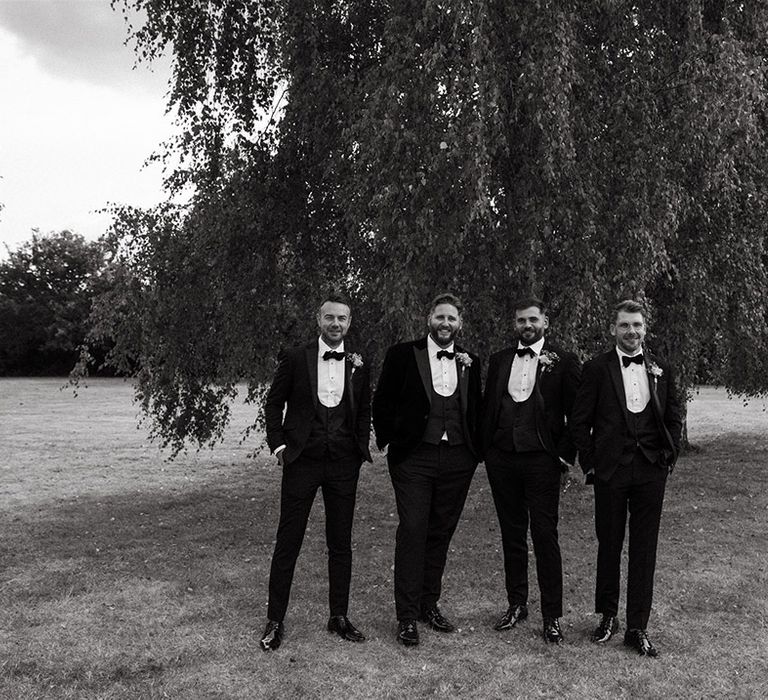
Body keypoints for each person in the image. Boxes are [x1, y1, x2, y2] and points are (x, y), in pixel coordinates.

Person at [259, 293, 372, 651]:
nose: (335, 324)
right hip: (301, 462)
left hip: (343, 464)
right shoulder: (295, 357)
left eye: (342, 318)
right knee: (288, 541)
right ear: (318, 320)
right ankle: (275, 620)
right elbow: (273, 403)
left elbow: (364, 407)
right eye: (329, 318)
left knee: (341, 543)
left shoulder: (360, 363)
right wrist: (278, 446)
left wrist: (358, 448)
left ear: (349, 323)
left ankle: (338, 616)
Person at [571, 299, 682, 657]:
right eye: (624, 326)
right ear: (613, 329)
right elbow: (579, 421)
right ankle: (607, 617)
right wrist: (590, 463)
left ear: (644, 329)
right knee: (609, 544)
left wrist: (668, 455)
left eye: (636, 326)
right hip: (611, 471)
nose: (631, 332)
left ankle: (637, 626)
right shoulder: (597, 368)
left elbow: (674, 414)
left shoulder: (661, 366)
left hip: (651, 468)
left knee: (644, 549)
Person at [372, 293, 482, 646]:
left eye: (452, 318)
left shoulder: (471, 361)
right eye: (440, 317)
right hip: (413, 457)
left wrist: (475, 451)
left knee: (440, 531)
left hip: (458, 458)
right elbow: (383, 400)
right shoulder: (404, 354)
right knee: (413, 528)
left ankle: (428, 604)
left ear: (459, 323)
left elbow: (474, 407)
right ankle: (406, 616)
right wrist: (388, 440)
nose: (445, 324)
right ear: (429, 319)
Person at [480, 297, 581, 644]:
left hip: (542, 460)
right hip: (502, 458)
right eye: (521, 320)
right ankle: (516, 604)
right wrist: (487, 448)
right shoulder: (500, 360)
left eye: (533, 319)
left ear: (545, 322)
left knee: (544, 534)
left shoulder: (564, 362)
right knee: (512, 534)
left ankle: (551, 615)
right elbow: (489, 405)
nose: (527, 325)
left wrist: (564, 457)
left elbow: (577, 414)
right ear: (515, 324)